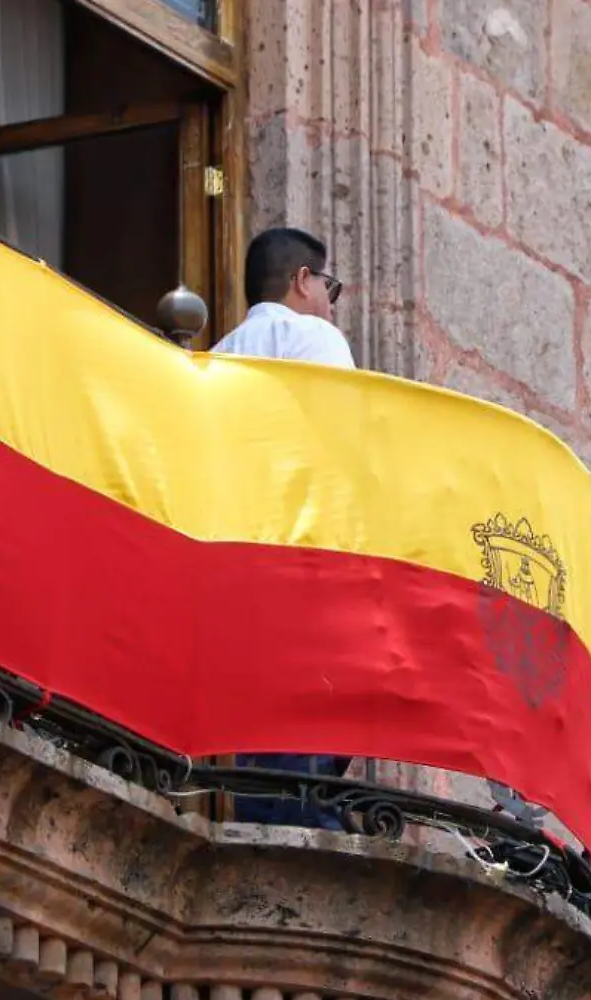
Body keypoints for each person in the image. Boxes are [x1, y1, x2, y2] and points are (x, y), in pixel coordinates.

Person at [215, 228, 354, 828]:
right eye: (331, 288)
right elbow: (342, 447)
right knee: (301, 739)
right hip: (298, 555)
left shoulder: (218, 353)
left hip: (232, 559)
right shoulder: (312, 335)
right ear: (303, 280)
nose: (330, 302)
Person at [211, 227, 355, 369]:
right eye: (328, 285)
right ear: (303, 279)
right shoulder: (316, 335)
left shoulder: (216, 354)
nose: (332, 307)